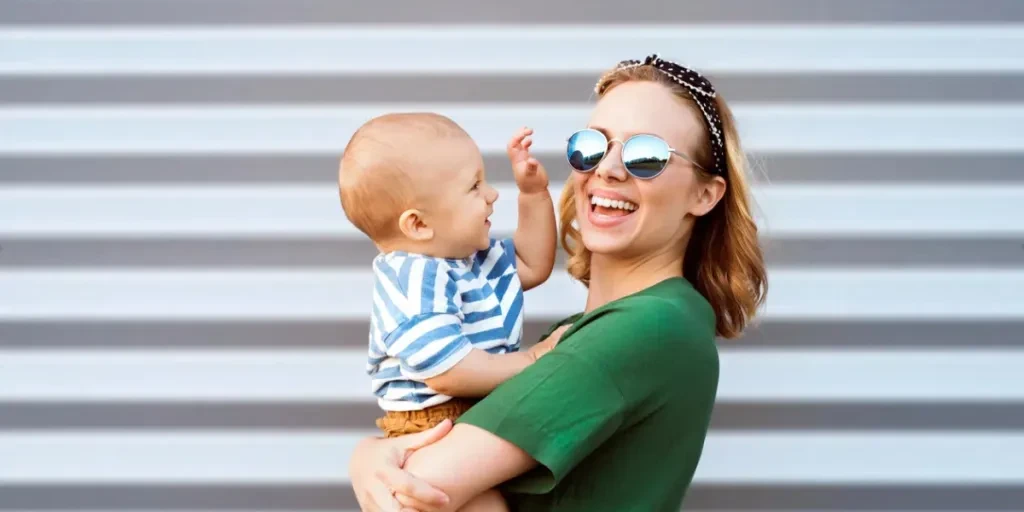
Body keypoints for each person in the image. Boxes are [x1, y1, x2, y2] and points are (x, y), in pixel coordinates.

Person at [347, 54, 768, 512]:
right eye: (592, 146)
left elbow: (417, 492)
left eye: (646, 156)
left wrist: (369, 460)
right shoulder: (594, 331)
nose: (607, 169)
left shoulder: (649, 328)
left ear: (704, 194)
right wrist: (369, 456)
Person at [337, 112, 561, 511]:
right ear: (419, 224)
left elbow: (533, 263)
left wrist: (533, 194)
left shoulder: (470, 261)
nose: (492, 194)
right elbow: (448, 371)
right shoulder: (414, 277)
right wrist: (532, 360)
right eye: (474, 186)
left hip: (472, 410)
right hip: (433, 423)